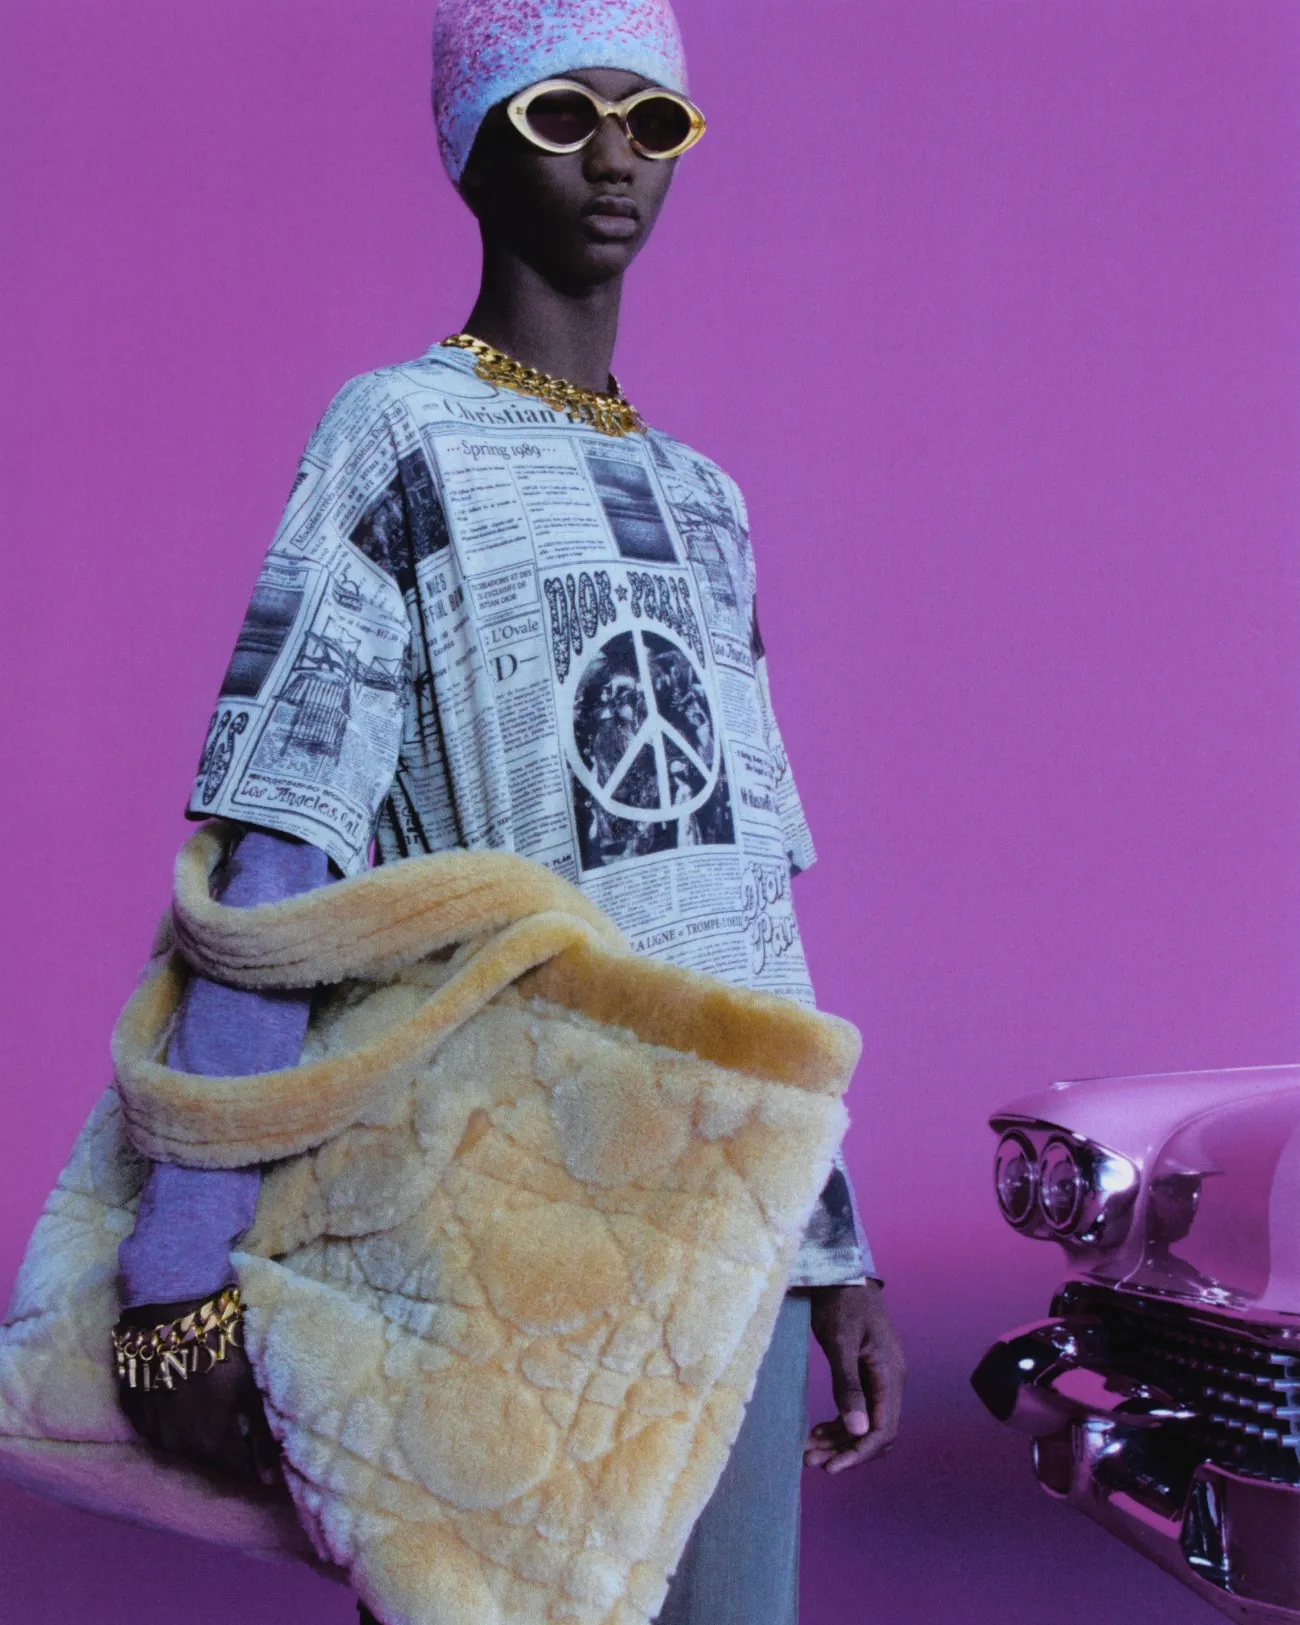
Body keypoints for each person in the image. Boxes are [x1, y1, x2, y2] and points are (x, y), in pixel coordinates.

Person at [112, 2, 906, 1620]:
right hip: (506, 1197)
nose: (615, 158)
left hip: (731, 1216)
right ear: (472, 148)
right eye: (561, 115)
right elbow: (283, 854)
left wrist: (835, 1243)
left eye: (653, 122)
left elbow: (746, 900)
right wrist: (181, 1264)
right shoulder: (395, 439)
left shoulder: (708, 506)